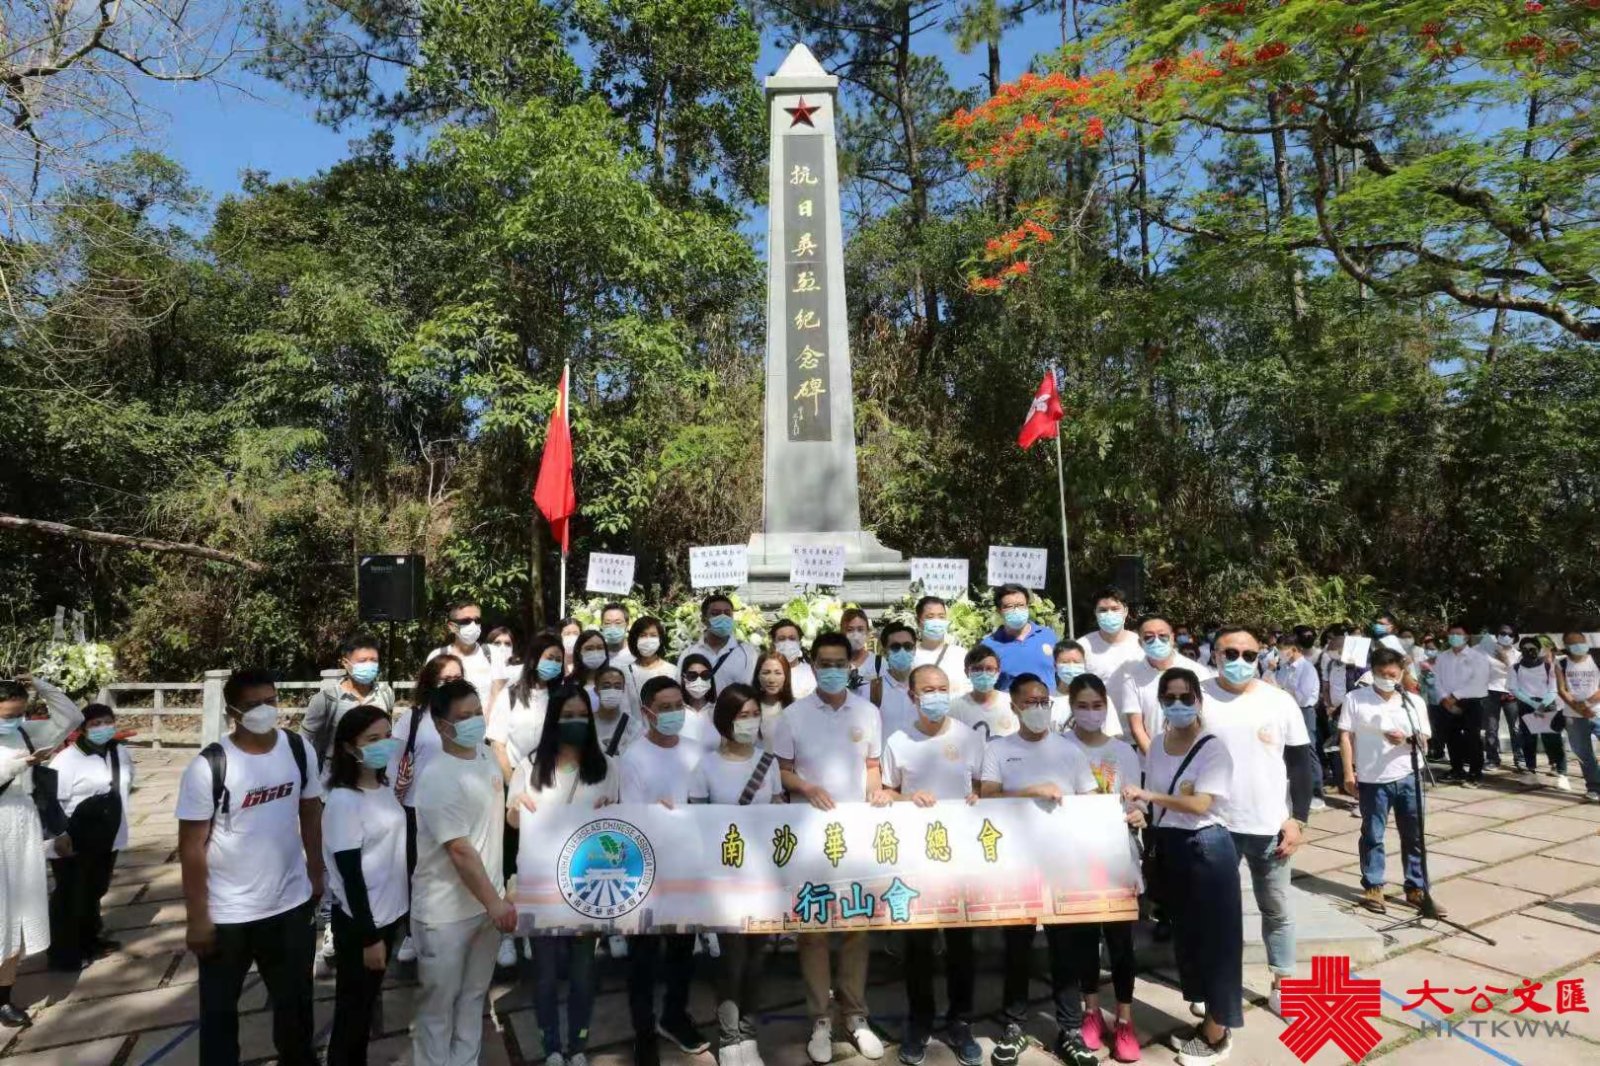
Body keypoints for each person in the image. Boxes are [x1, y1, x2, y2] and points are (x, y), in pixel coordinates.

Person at [175, 668, 321, 1065]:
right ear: (234, 711)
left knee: (295, 1008)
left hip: (290, 906)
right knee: (220, 1016)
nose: (265, 710)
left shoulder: (297, 749)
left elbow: (310, 812)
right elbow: (191, 847)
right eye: (255, 704)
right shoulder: (210, 766)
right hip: (229, 915)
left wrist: (316, 874)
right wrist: (198, 918)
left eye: (271, 701)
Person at [773, 633, 886, 1064]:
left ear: (850, 667)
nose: (833, 668)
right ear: (813, 665)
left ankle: (856, 1016)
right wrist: (806, 785)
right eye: (825, 662)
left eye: (840, 662)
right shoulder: (793, 715)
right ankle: (820, 1019)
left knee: (858, 928)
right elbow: (780, 771)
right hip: (810, 837)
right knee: (814, 931)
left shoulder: (869, 713)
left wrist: (876, 792)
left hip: (856, 837)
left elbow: (872, 767)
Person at [978, 672, 1098, 1066]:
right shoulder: (998, 749)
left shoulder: (1070, 751)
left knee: (1067, 949)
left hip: (1065, 866)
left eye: (1044, 701)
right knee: (1017, 947)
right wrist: (1029, 791)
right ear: (1013, 707)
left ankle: (1070, 1029)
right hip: (1015, 865)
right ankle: (1013, 1025)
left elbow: (1091, 802)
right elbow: (988, 797)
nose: (1038, 708)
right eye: (1030, 702)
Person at [1123, 669, 1241, 1066]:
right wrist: (1140, 808)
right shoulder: (1157, 743)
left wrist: (1149, 795)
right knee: (1188, 940)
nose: (1177, 704)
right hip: (1170, 847)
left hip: (1207, 848)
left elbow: (1201, 804)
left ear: (1198, 701)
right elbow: (1155, 798)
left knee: (1217, 942)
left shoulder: (1212, 749)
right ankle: (1205, 1018)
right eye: (1170, 697)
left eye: (1185, 697)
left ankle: (1217, 1032)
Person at [1201, 627, 1313, 1016]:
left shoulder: (1279, 701)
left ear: (1260, 657)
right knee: (1214, 912)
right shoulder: (1196, 697)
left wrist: (1298, 819)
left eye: (1249, 655)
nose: (1239, 662)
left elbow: (1300, 766)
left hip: (1270, 826)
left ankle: (1283, 983)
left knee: (1277, 908)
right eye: (1229, 653)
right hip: (1214, 825)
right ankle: (1212, 986)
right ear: (1215, 655)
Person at [876, 665, 983, 1066]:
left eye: (942, 689)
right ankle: (919, 1022)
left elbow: (983, 788)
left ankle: (961, 1021)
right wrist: (905, 799)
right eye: (927, 690)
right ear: (912, 695)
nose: (935, 696)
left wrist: (978, 798)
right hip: (915, 859)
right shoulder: (898, 740)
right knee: (917, 945)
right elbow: (886, 792)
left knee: (961, 946)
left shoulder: (968, 737)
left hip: (962, 858)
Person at [509, 683, 620, 1066]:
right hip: (541, 887)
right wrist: (517, 805)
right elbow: (512, 819)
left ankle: (578, 1045)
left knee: (583, 972)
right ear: (554, 720)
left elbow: (617, 828)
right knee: (544, 973)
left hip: (588, 887)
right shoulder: (529, 765)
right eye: (567, 715)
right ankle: (551, 1046)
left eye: (581, 716)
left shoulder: (607, 767)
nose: (575, 722)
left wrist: (611, 809)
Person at [410, 678, 516, 1066]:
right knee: (438, 1007)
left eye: (477, 714)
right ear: (440, 725)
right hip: (445, 914)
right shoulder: (438, 776)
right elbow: (459, 850)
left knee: (473, 998)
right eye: (463, 717)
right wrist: (496, 904)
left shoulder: (485, 756)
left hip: (486, 909)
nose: (474, 722)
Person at [688, 684, 783, 1066]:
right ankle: (728, 1038)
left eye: (753, 714)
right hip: (724, 881)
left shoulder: (769, 763)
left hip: (763, 878)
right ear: (725, 721)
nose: (749, 722)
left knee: (758, 958)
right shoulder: (706, 766)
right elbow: (696, 823)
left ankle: (748, 1032)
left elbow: (780, 816)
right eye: (741, 715)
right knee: (732, 959)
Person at [621, 677, 711, 1066]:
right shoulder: (633, 758)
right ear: (647, 713)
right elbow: (634, 817)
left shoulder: (696, 752)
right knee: (642, 956)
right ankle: (643, 1031)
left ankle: (675, 1015)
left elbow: (708, 807)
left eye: (679, 706)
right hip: (648, 872)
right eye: (666, 707)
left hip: (689, 869)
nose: (674, 713)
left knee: (681, 951)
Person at [1060, 674, 1144, 1063]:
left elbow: (1137, 801)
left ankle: (1124, 1019)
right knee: (1084, 940)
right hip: (1075, 861)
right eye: (1083, 705)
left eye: (1098, 705)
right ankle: (1090, 1011)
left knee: (1121, 943)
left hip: (1117, 859)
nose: (1091, 712)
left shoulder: (1124, 751)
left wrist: (1139, 814)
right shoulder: (1059, 748)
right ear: (1071, 707)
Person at [323, 706, 408, 1066]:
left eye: (387, 736)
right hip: (363, 924)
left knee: (365, 1008)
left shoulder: (381, 786)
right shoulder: (344, 801)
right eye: (372, 739)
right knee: (352, 1015)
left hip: (390, 916)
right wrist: (370, 937)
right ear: (348, 747)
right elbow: (349, 875)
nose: (383, 745)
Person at [1, 674, 83, 1024]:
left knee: (17, 910)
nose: (13, 719)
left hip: (20, 825)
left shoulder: (24, 732)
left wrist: (43, 687)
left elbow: (71, 718)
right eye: (6, 714)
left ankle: (4, 997)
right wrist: (20, 764)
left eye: (18, 712)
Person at [1338, 648, 1442, 918]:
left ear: (1401, 673)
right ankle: (1373, 886)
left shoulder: (1413, 702)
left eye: (1392, 674)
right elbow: (1346, 737)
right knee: (1373, 834)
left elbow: (1424, 740)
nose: (1387, 678)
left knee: (1414, 834)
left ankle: (1417, 887)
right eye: (1381, 674)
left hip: (1409, 775)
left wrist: (1406, 739)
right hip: (1373, 778)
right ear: (1372, 672)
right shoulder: (1356, 698)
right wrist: (1349, 773)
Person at [45, 702, 134, 973]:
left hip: (108, 836)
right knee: (70, 896)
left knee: (95, 889)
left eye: (108, 721)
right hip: (72, 838)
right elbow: (49, 802)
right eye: (95, 724)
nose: (103, 728)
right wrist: (59, 835)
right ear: (82, 729)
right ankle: (64, 955)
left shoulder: (120, 752)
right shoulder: (66, 760)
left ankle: (89, 940)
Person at [392, 654, 465, 964]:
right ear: (429, 682)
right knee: (417, 871)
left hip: (458, 807)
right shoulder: (413, 718)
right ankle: (412, 932)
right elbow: (395, 764)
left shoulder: (468, 717)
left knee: (454, 871)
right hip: (417, 809)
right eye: (446, 679)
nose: (452, 685)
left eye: (457, 679)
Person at [1114, 614, 1210, 755]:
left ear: (1172, 638)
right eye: (1149, 637)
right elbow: (1137, 728)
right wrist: (1156, 760)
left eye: (1162, 635)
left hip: (1193, 760)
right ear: (1140, 643)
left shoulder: (1198, 672)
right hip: (1151, 762)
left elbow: (1206, 719)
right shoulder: (1131, 677)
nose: (1156, 641)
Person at [302, 633, 396, 766]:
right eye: (362, 661)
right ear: (346, 663)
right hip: (335, 776)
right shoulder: (326, 700)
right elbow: (304, 741)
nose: (369, 665)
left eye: (373, 661)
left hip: (374, 774)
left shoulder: (385, 693)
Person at [489, 634, 566, 782]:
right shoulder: (509, 696)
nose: (554, 664)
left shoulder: (562, 698)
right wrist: (512, 786)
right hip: (514, 775)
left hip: (550, 779)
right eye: (549, 658)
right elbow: (497, 745)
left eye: (558, 660)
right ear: (533, 659)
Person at [1433, 622, 1492, 787]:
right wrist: (1445, 698)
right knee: (1451, 738)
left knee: (1472, 738)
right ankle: (1457, 769)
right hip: (1446, 702)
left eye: (1458, 634)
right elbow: (1437, 680)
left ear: (1466, 637)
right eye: (1451, 634)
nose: (1454, 637)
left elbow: (1479, 681)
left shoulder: (1477, 657)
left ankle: (1475, 773)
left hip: (1471, 702)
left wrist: (1454, 696)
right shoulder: (1443, 656)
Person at [1276, 626, 1325, 810]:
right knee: (1289, 751)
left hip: (1304, 712)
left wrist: (1284, 690)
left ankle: (1316, 792)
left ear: (1294, 649)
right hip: (1285, 711)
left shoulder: (1307, 669)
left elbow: (1304, 697)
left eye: (1283, 651)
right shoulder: (1284, 667)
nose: (1281, 655)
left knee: (1309, 750)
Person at [1511, 638, 1569, 789]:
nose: (1529, 651)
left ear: (1538, 649)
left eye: (1532, 648)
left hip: (1547, 705)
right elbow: (1514, 689)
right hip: (1526, 706)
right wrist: (1533, 704)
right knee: (1529, 740)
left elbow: (1553, 689)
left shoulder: (1548, 667)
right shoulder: (1515, 668)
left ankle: (1562, 774)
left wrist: (1542, 705)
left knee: (1552, 740)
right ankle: (1531, 772)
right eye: (1525, 648)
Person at [981, 585, 1059, 691]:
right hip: (1010, 707)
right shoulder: (989, 646)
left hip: (1047, 705)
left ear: (1027, 606)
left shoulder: (1048, 636)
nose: (1016, 610)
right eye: (1009, 606)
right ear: (999, 611)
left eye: (1021, 605)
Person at [679, 594, 759, 693]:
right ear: (704, 619)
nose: (723, 617)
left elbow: (752, 689)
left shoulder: (747, 653)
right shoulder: (689, 653)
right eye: (715, 613)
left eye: (727, 613)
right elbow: (681, 688)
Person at [1558, 632, 1600, 802]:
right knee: (1583, 753)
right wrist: (1580, 709)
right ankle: (1594, 787)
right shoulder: (1561, 664)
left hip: (1597, 711)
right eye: (1573, 644)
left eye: (1581, 642)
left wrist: (1588, 704)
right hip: (1573, 715)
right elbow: (1562, 690)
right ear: (1567, 647)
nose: (1578, 646)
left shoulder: (1597, 659)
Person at [426, 602, 494, 704]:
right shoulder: (437, 656)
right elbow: (427, 696)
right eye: (466, 621)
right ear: (452, 626)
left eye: (477, 620)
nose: (473, 625)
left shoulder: (493, 654)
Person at [950, 646, 1016, 740]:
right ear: (966, 672)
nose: (984, 674)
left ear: (998, 672)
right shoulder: (954, 708)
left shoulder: (1012, 704)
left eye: (989, 669)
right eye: (977, 669)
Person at [913, 596, 971, 697]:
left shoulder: (960, 654)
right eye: (930, 617)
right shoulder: (911, 657)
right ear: (918, 621)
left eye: (941, 616)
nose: (937, 622)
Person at [871, 622, 919, 741]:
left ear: (915, 649)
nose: (902, 651)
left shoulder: (927, 688)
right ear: (885, 651)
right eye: (895, 647)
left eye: (907, 646)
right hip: (885, 758)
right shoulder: (873, 690)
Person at [1082, 587, 1142, 679]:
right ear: (1095, 613)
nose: (1109, 614)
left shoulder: (1141, 645)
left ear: (1125, 611)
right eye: (1103, 610)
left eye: (1115, 609)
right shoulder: (1083, 646)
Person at [1484, 623, 1521, 771]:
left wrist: (1505, 659)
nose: (1505, 636)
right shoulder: (1487, 652)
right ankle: (1492, 759)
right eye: (1502, 633)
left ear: (1514, 637)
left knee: (1516, 727)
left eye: (1509, 634)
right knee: (1491, 728)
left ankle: (1520, 758)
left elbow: (1518, 674)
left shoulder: (1518, 655)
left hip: (1510, 693)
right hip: (1491, 692)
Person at [625, 616, 678, 709]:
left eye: (653, 635)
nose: (648, 640)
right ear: (635, 639)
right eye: (643, 635)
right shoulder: (625, 673)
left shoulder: (673, 671)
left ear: (660, 640)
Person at [591, 664, 641, 756]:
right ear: (596, 690)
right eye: (606, 686)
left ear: (623, 690)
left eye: (617, 686)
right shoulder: (587, 724)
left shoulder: (633, 727)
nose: (612, 690)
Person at [679, 653, 722, 751]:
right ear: (683, 678)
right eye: (692, 675)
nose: (699, 680)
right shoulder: (676, 712)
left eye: (705, 675)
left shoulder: (719, 712)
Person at [753, 649, 796, 745]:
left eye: (778, 673)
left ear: (786, 676)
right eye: (766, 672)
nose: (771, 679)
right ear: (758, 675)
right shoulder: (746, 707)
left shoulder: (797, 709)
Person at [770, 619, 818, 698]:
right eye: (782, 639)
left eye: (792, 638)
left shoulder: (811, 673)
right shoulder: (764, 673)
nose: (787, 643)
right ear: (773, 644)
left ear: (800, 643)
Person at [601, 602, 635, 668]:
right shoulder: (598, 653)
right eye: (607, 623)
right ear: (602, 626)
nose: (612, 627)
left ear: (627, 625)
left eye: (618, 623)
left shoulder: (635, 653)